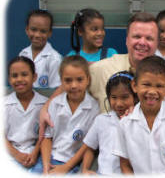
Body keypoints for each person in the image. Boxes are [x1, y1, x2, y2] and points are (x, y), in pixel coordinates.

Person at [38, 12, 158, 143]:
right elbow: (71, 84)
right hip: (107, 150)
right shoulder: (103, 68)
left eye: (149, 38)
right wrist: (45, 108)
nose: (142, 42)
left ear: (156, 43)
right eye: (137, 36)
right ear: (127, 40)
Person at [31, 55, 99, 174]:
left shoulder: (94, 108)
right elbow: (47, 138)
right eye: (68, 80)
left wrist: (66, 167)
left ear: (88, 79)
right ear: (61, 81)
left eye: (79, 79)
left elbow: (88, 145)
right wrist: (46, 167)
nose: (73, 85)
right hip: (48, 159)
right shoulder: (55, 103)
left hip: (72, 164)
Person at [81, 71, 137, 175]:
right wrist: (85, 169)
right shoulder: (101, 120)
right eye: (114, 97)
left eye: (125, 97)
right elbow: (90, 148)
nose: (119, 103)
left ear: (135, 97)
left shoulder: (139, 120)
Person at [5, 56, 48, 169]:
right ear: (9, 79)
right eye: (14, 76)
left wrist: (35, 153)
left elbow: (46, 134)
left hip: (36, 153)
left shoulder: (44, 104)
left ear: (34, 77)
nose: (19, 79)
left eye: (24, 74)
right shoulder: (4, 104)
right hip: (9, 153)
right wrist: (16, 154)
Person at [19, 9, 62, 88]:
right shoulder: (22, 54)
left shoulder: (55, 59)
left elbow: (56, 90)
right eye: (33, 29)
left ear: (49, 33)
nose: (37, 35)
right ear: (27, 30)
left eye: (43, 31)